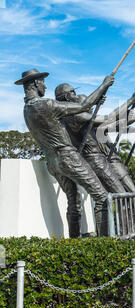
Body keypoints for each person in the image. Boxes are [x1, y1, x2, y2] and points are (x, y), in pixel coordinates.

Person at [15, 68, 114, 237]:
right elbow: (84, 105)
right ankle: (103, 248)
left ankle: (73, 246)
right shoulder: (45, 104)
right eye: (43, 83)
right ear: (36, 83)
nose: (45, 87)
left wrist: (97, 98)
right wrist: (104, 85)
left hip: (52, 162)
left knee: (73, 201)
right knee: (102, 197)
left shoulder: (27, 110)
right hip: (67, 156)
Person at [54, 83, 135, 192]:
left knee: (125, 194)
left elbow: (118, 124)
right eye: (87, 105)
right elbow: (113, 121)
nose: (90, 106)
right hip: (105, 161)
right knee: (127, 193)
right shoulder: (83, 120)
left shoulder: (74, 120)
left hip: (105, 160)